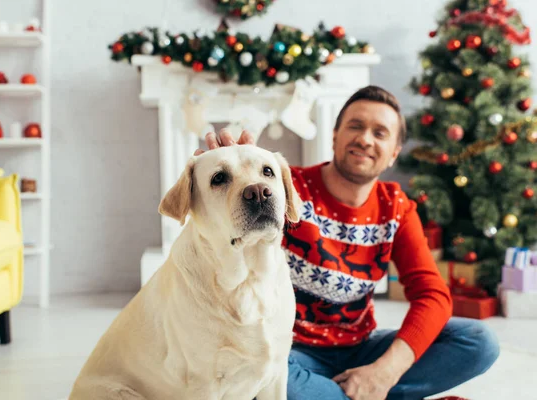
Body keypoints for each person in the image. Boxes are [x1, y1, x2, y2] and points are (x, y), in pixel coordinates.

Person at [195, 85, 499, 400]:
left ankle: (361, 391)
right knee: (277, 383)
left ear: (394, 152)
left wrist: (384, 372)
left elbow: (433, 295)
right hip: (290, 351)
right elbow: (226, 230)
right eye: (355, 126)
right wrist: (229, 173)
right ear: (335, 135)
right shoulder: (287, 188)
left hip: (361, 348)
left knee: (478, 342)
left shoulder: (396, 207)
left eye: (380, 133)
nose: (365, 139)